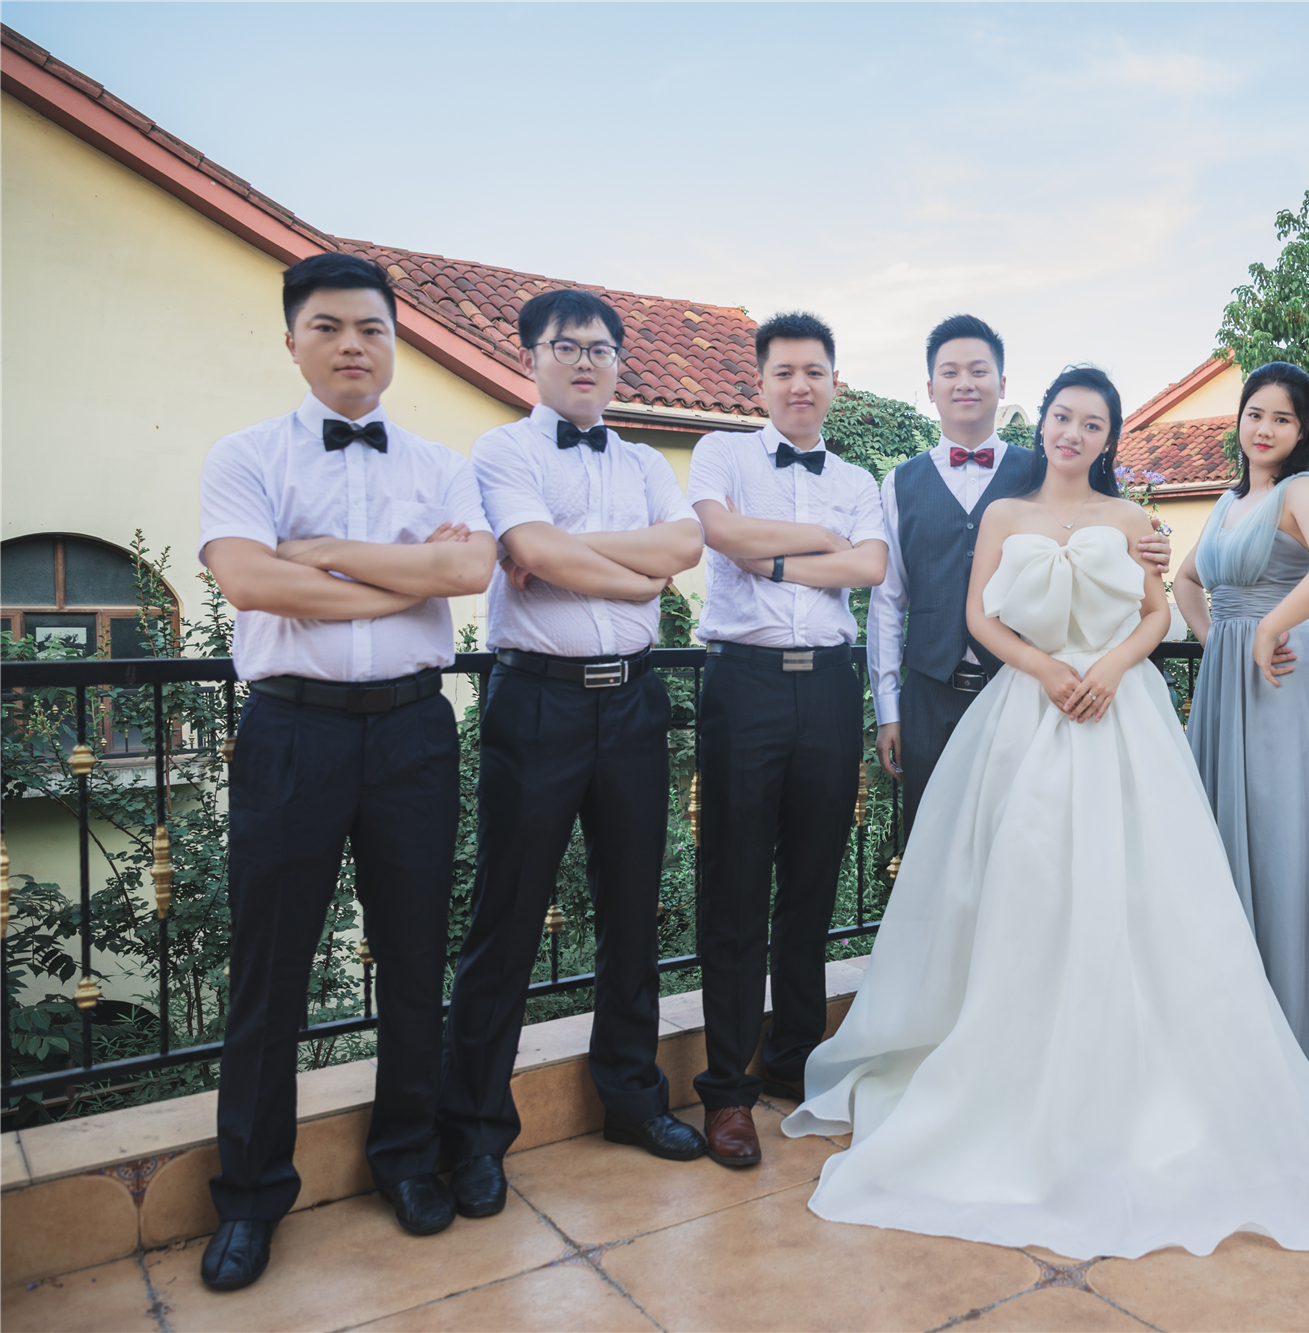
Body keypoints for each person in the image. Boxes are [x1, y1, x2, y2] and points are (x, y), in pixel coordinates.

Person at [780, 367, 1309, 1260]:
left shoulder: (1137, 520)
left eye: (1091, 423)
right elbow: (979, 616)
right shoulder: (1003, 515)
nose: (1072, 432)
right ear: (1043, 423)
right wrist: (1045, 668)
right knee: (1024, 890)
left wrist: (1107, 668)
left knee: (1146, 897)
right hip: (1025, 713)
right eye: (1062, 416)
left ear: (1108, 438)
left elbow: (1158, 612)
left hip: (1119, 712)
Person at [196, 254, 497, 1290]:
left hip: (415, 731)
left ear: (394, 343)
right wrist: (408, 578)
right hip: (293, 731)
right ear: (293, 342)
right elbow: (247, 579)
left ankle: (407, 1158)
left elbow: (468, 570)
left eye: (371, 327)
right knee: (269, 968)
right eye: (327, 326)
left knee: (414, 957)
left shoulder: (441, 464)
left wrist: (317, 554)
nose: (352, 345)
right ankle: (249, 1195)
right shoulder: (244, 456)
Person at [438, 289, 709, 1217]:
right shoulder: (502, 450)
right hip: (537, 701)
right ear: (533, 357)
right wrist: (627, 574)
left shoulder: (644, 461)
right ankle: (475, 1134)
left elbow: (684, 545)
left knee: (633, 907)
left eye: (601, 349)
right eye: (567, 346)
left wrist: (567, 550)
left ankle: (633, 1099)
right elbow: (531, 551)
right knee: (507, 916)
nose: (586, 361)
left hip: (633, 702)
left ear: (619, 363)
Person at [687, 312, 889, 1169]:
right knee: (734, 887)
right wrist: (818, 543)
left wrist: (769, 556)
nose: (800, 385)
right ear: (761, 382)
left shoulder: (857, 476)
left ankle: (794, 1058)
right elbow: (720, 533)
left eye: (814, 371)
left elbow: (870, 567)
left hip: (831, 689)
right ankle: (727, 1091)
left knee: (811, 885)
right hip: (745, 683)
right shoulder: (721, 455)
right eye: (784, 372)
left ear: (835, 382)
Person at [1174, 361, 1309, 1115]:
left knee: (1281, 847)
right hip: (1226, 685)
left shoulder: (1304, 491)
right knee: (1222, 852)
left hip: (1281, 684)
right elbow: (1186, 582)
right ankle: (1228, 1043)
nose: (1264, 428)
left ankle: (1298, 1047)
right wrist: (1217, 640)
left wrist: (1267, 627)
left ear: (1302, 432)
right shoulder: (1228, 501)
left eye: (1282, 418)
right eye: (1254, 413)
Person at [872, 315, 1173, 835]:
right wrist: (887, 709)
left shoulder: (1044, 466)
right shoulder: (900, 482)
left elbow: (1101, 534)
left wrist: (1154, 546)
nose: (965, 383)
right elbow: (887, 600)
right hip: (930, 693)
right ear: (931, 386)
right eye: (950, 372)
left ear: (1003, 383)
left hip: (1025, 691)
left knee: (1027, 838)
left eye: (978, 370)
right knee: (932, 837)